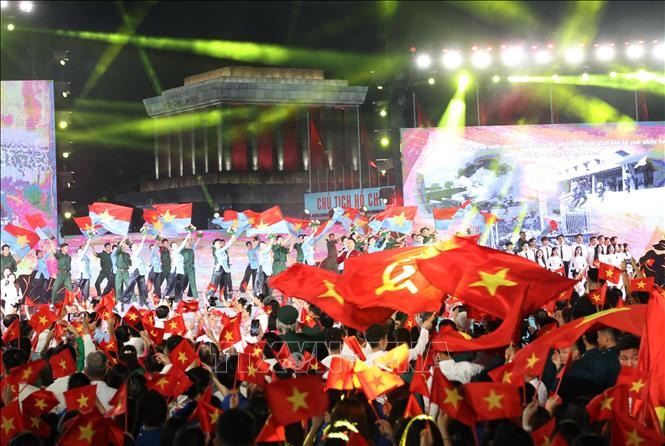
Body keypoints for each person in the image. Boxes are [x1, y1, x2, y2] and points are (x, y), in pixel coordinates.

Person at [207, 233, 238, 305]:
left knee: (225, 284)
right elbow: (228, 245)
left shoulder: (223, 250)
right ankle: (209, 297)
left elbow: (228, 247)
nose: (219, 244)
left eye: (219, 243)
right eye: (217, 243)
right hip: (219, 269)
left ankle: (225, 298)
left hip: (225, 269)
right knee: (214, 285)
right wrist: (233, 236)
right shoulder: (217, 251)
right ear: (214, 245)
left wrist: (233, 238)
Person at [121, 230, 149, 309]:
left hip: (141, 272)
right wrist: (144, 236)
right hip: (135, 272)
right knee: (130, 286)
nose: (136, 247)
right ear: (132, 249)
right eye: (134, 247)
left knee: (142, 288)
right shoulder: (134, 254)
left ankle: (142, 303)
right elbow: (141, 246)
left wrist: (129, 241)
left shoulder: (137, 254)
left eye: (136, 246)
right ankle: (123, 301)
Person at [164, 233, 191, 303]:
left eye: (175, 245)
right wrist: (188, 235)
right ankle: (165, 298)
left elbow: (184, 247)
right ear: (172, 247)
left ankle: (178, 301)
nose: (175, 246)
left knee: (179, 287)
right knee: (171, 286)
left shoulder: (179, 253)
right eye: (173, 245)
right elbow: (182, 245)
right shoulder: (174, 252)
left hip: (180, 272)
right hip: (175, 271)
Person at [49, 239, 73, 306]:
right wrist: (51, 243)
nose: (67, 249)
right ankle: (52, 303)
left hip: (67, 274)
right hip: (60, 274)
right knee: (55, 287)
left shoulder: (69, 257)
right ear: (62, 248)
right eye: (66, 248)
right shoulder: (59, 255)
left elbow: (69, 266)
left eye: (67, 247)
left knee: (70, 288)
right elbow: (54, 251)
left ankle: (72, 302)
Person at [181, 232, 200, 301]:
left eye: (189, 242)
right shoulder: (181, 251)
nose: (189, 243)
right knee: (182, 283)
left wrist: (198, 239)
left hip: (191, 268)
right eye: (187, 242)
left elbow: (195, 245)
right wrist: (187, 236)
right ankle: (178, 296)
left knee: (193, 282)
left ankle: (195, 297)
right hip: (183, 268)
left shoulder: (191, 250)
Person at [74, 238, 92, 302]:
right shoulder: (80, 257)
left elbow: (87, 266)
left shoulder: (85, 257)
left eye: (81, 250)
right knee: (78, 290)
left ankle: (86, 302)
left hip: (87, 275)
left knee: (86, 290)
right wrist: (88, 242)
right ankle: (74, 301)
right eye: (79, 250)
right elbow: (84, 251)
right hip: (81, 276)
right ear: (78, 252)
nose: (81, 251)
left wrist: (89, 274)